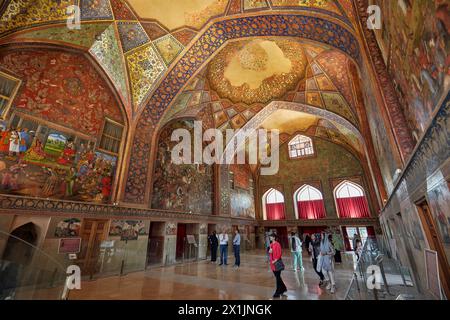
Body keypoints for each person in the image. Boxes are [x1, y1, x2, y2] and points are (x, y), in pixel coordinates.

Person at [269, 233, 287, 298]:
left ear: (274, 237)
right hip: (272, 264)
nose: (270, 238)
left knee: (278, 278)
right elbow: (271, 254)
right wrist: (270, 252)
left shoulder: (277, 244)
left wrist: (275, 260)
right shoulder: (271, 245)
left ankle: (277, 292)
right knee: (278, 277)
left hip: (277, 263)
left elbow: (279, 253)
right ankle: (283, 288)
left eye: (271, 237)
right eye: (270, 237)